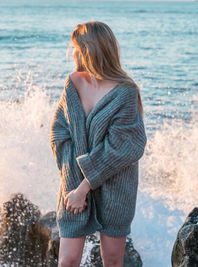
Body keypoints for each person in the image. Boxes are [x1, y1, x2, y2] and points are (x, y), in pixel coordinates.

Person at [50, 21, 147, 267]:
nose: (72, 54)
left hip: (116, 185)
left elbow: (123, 148)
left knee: (112, 260)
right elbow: (59, 133)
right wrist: (75, 186)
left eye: (76, 48)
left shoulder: (125, 93)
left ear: (90, 50)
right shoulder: (73, 83)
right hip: (73, 183)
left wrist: (85, 187)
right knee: (67, 261)